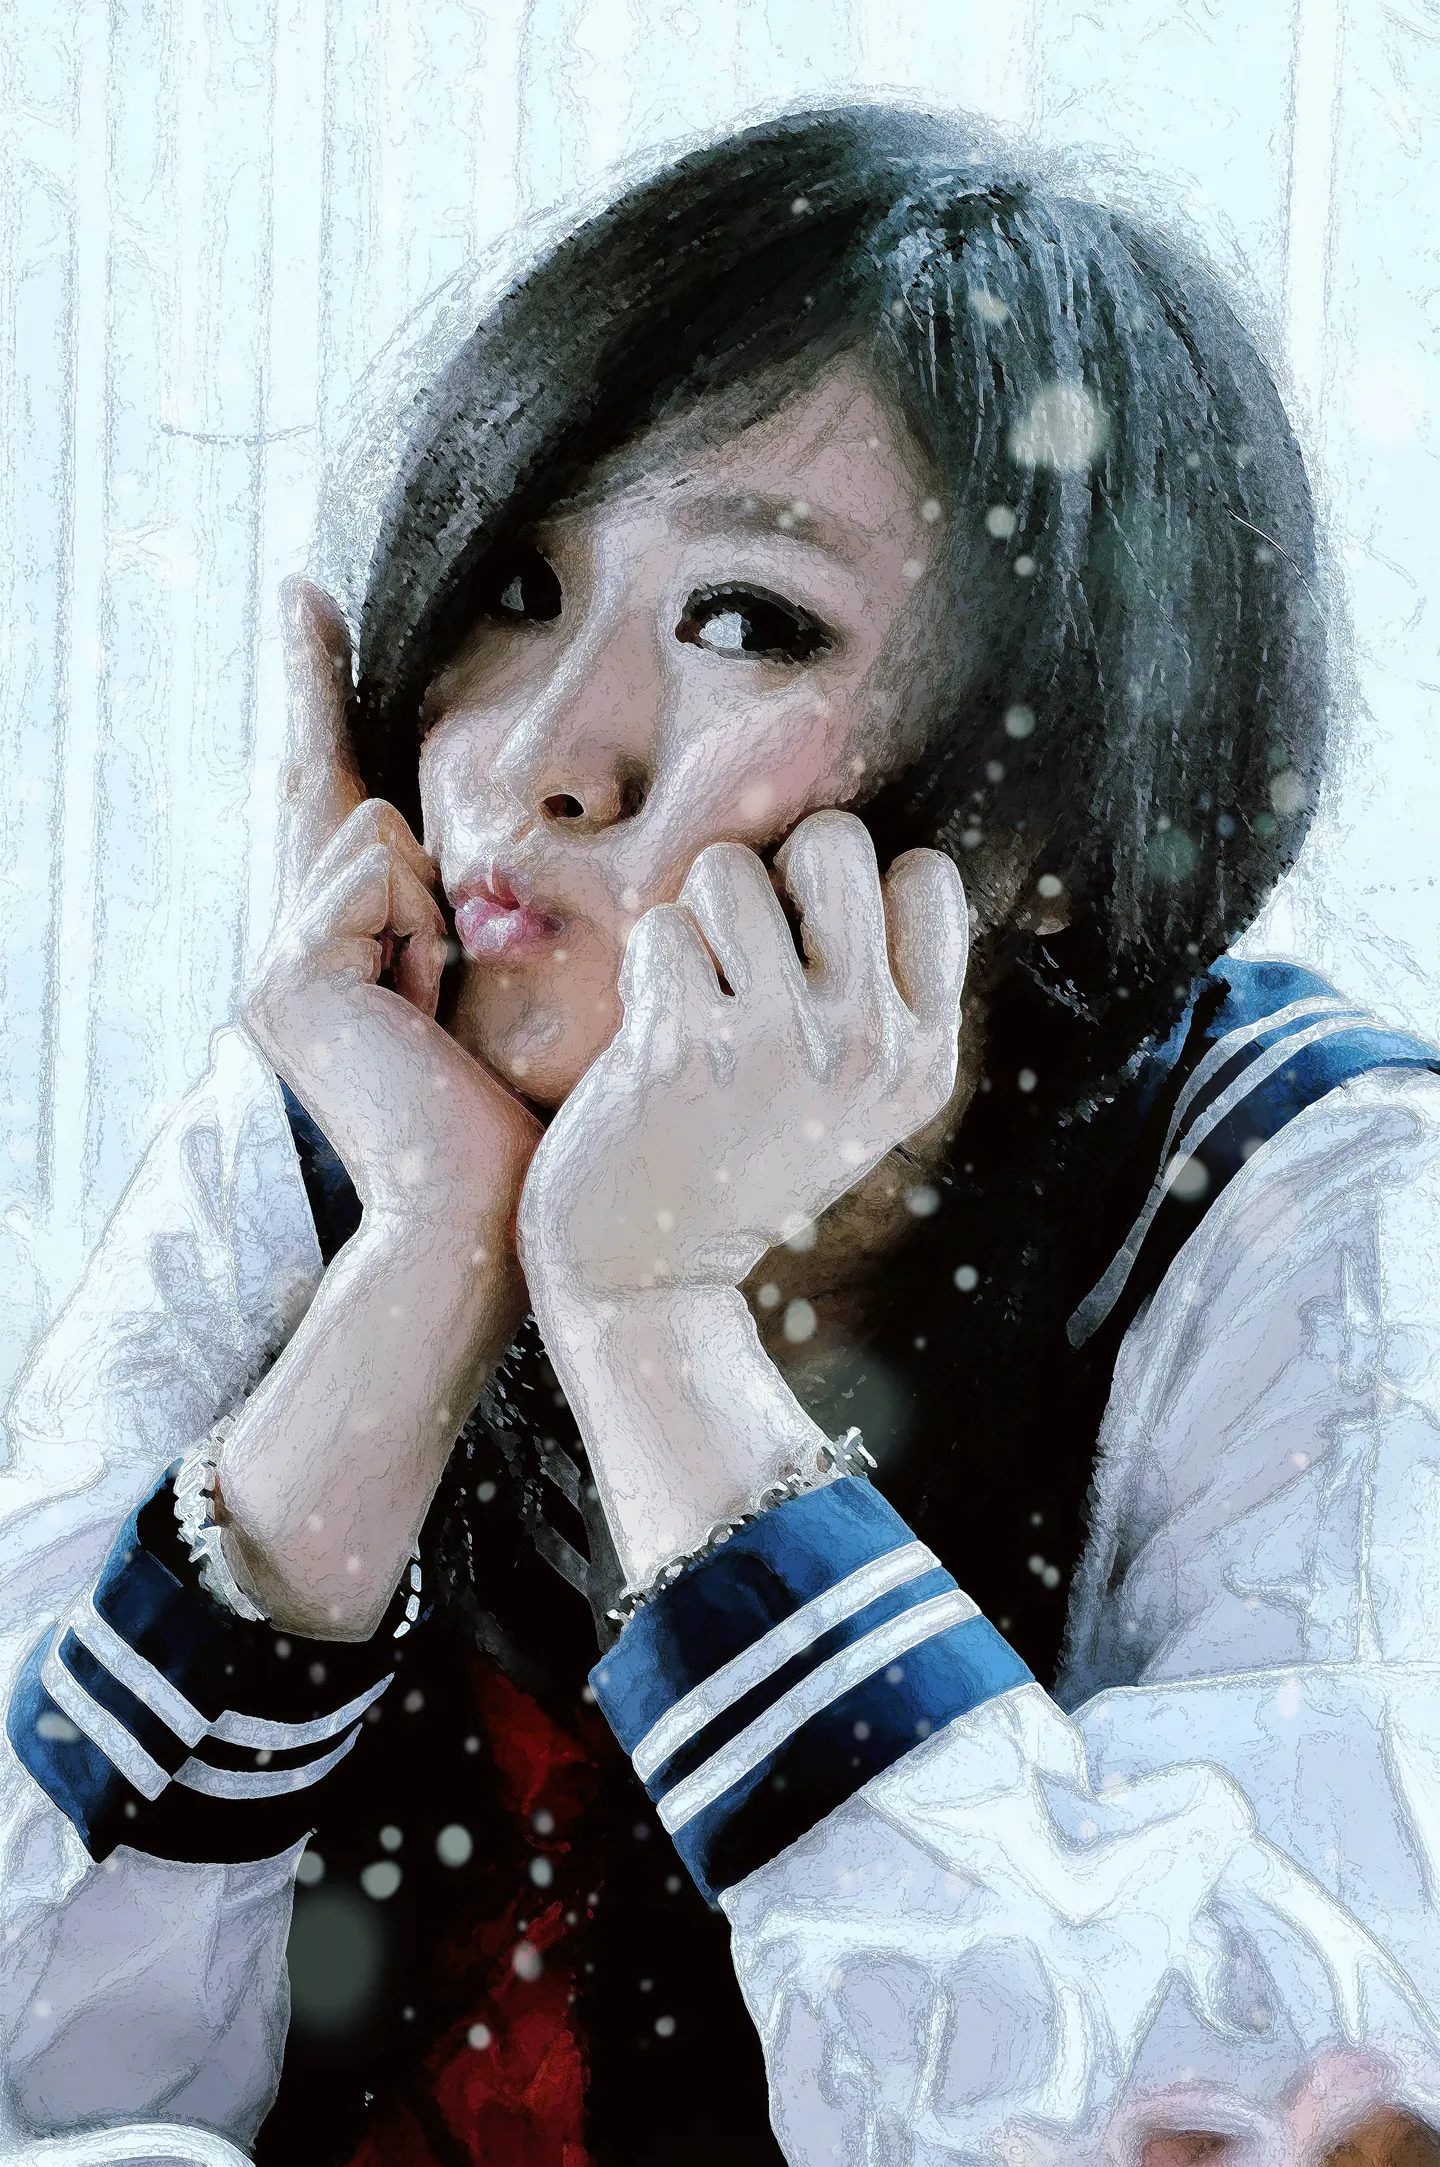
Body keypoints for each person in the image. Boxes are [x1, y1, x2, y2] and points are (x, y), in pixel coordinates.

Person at [4, 103, 1440, 2167]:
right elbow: (44, 2076)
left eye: (748, 620)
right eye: (517, 586)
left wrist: (650, 1313)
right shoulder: (372, 1105)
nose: (538, 755)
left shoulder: (1310, 1202)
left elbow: (1219, 2096)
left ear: (1046, 823)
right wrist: (426, 1259)